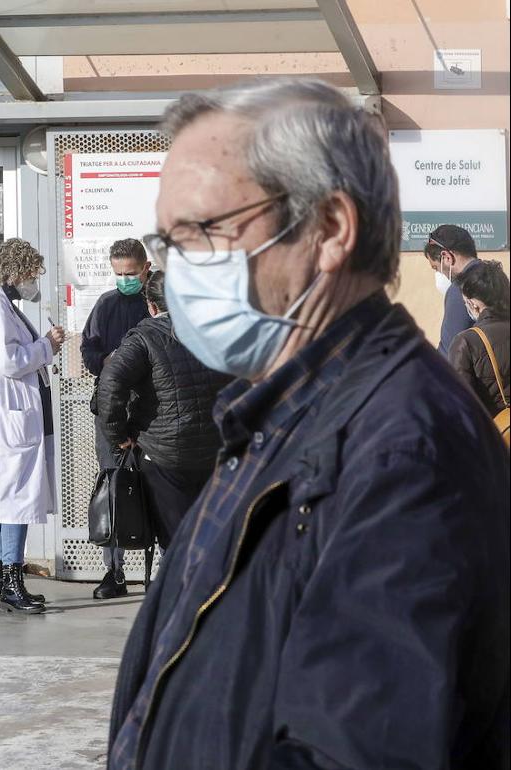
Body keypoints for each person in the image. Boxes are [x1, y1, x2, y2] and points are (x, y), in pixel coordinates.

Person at [108, 78, 509, 769]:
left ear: (328, 231)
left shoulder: (401, 452)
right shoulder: (281, 420)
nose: (179, 271)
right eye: (167, 241)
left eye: (203, 231)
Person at [96, 271, 231, 567]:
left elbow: (110, 382)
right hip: (212, 449)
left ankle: (179, 600)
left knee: (175, 539)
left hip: (163, 454)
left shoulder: (145, 337)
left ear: (151, 305)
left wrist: (117, 435)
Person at [0, 238, 63, 615]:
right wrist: (47, 345)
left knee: (1, 499)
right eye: (31, 274)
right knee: (15, 501)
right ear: (15, 272)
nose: (32, 282)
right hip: (6, 417)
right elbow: (9, 360)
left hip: (4, 415)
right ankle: (13, 583)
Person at [79, 238, 151, 600]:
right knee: (113, 488)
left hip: (152, 409)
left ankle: (162, 568)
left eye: (131, 273)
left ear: (145, 267)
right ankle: (115, 571)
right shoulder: (106, 304)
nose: (125, 279)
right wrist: (105, 362)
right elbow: (88, 351)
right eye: (119, 273)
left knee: (157, 486)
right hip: (112, 408)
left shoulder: (155, 304)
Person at [450, 259, 510, 419]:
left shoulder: (466, 342)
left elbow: (461, 409)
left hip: (496, 437)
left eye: (466, 302)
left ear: (473, 304)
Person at [425, 223, 480, 354]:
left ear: (447, 258)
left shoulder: (459, 290)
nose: (438, 274)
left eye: (436, 268)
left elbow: (449, 351)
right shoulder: (498, 277)